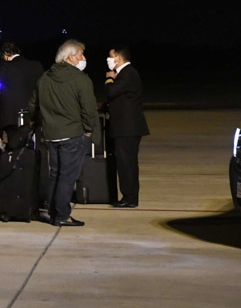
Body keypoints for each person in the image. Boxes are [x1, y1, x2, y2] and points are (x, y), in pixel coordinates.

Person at [26, 39, 101, 227]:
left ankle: (53, 211)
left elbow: (33, 105)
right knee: (67, 177)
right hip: (73, 134)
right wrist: (89, 130)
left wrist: (37, 122)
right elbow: (89, 110)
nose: (84, 58)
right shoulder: (80, 79)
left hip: (51, 134)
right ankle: (61, 215)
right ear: (71, 57)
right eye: (81, 54)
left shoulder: (44, 78)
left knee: (56, 174)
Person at [104, 46, 150, 208]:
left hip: (127, 128)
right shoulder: (126, 74)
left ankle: (129, 198)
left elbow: (111, 92)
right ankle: (129, 196)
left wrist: (109, 78)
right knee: (127, 162)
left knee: (126, 163)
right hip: (127, 128)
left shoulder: (127, 74)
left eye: (110, 57)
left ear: (119, 58)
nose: (108, 60)